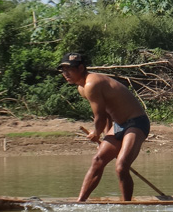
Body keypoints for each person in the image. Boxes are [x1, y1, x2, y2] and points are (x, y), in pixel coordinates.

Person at [58, 52, 150, 202]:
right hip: (119, 125)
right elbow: (106, 113)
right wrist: (106, 137)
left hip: (136, 123)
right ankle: (80, 202)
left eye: (69, 69)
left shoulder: (92, 84)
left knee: (121, 166)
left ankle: (127, 206)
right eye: (63, 70)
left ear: (81, 68)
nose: (65, 73)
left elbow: (99, 116)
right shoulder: (82, 88)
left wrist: (96, 133)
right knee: (98, 160)